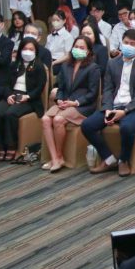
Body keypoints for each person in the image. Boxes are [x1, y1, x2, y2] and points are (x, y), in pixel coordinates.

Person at [82, 30, 135, 177]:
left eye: (132, 44)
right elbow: (108, 89)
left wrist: (125, 111)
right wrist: (108, 109)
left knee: (126, 126)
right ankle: (109, 159)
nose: (128, 46)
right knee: (87, 125)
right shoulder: (112, 63)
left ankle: (123, 160)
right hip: (115, 105)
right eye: (126, 43)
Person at [41, 36, 100, 173]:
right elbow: (60, 88)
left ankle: (59, 156)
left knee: (58, 120)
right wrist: (59, 99)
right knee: (45, 119)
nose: (78, 49)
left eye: (82, 47)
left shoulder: (93, 68)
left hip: (82, 106)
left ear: (88, 51)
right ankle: (54, 158)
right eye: (76, 47)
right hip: (65, 103)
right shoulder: (66, 65)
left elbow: (93, 93)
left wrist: (75, 103)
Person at [0, 38, 46, 161]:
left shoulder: (39, 66)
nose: (27, 51)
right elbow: (6, 84)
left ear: (36, 51)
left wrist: (28, 96)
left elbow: (40, 87)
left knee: (10, 114)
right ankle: (1, 145)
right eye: (25, 49)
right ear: (20, 50)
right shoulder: (14, 65)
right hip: (13, 94)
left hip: (29, 98)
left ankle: (11, 145)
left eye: (31, 49)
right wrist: (8, 95)